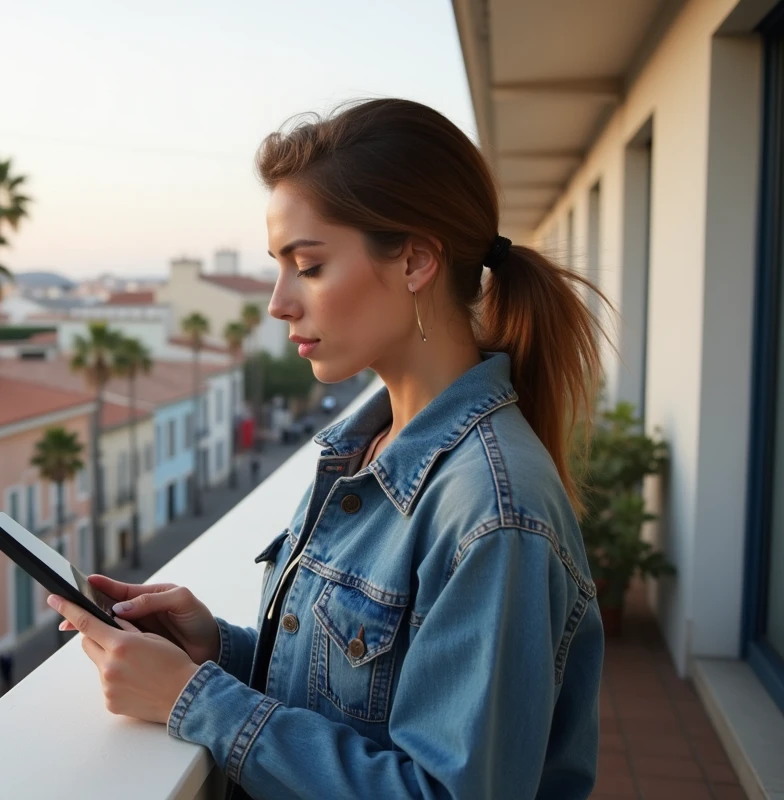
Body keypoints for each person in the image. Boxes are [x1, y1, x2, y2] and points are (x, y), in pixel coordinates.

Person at [49, 98, 605, 799]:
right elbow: (364, 704)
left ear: (416, 261)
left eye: (307, 265)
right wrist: (217, 650)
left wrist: (196, 700)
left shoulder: (493, 512)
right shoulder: (368, 447)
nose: (279, 301)